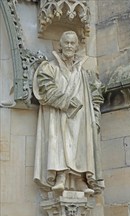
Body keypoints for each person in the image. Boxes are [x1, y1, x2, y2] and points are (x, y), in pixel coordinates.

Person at [33, 31, 105, 194]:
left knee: (80, 143)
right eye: (66, 43)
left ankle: (80, 179)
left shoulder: (84, 72)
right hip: (59, 113)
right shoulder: (50, 67)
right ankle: (61, 177)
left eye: (73, 43)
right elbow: (44, 88)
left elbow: (95, 93)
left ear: (77, 46)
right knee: (58, 139)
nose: (69, 46)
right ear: (60, 45)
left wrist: (95, 114)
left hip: (81, 116)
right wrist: (66, 101)